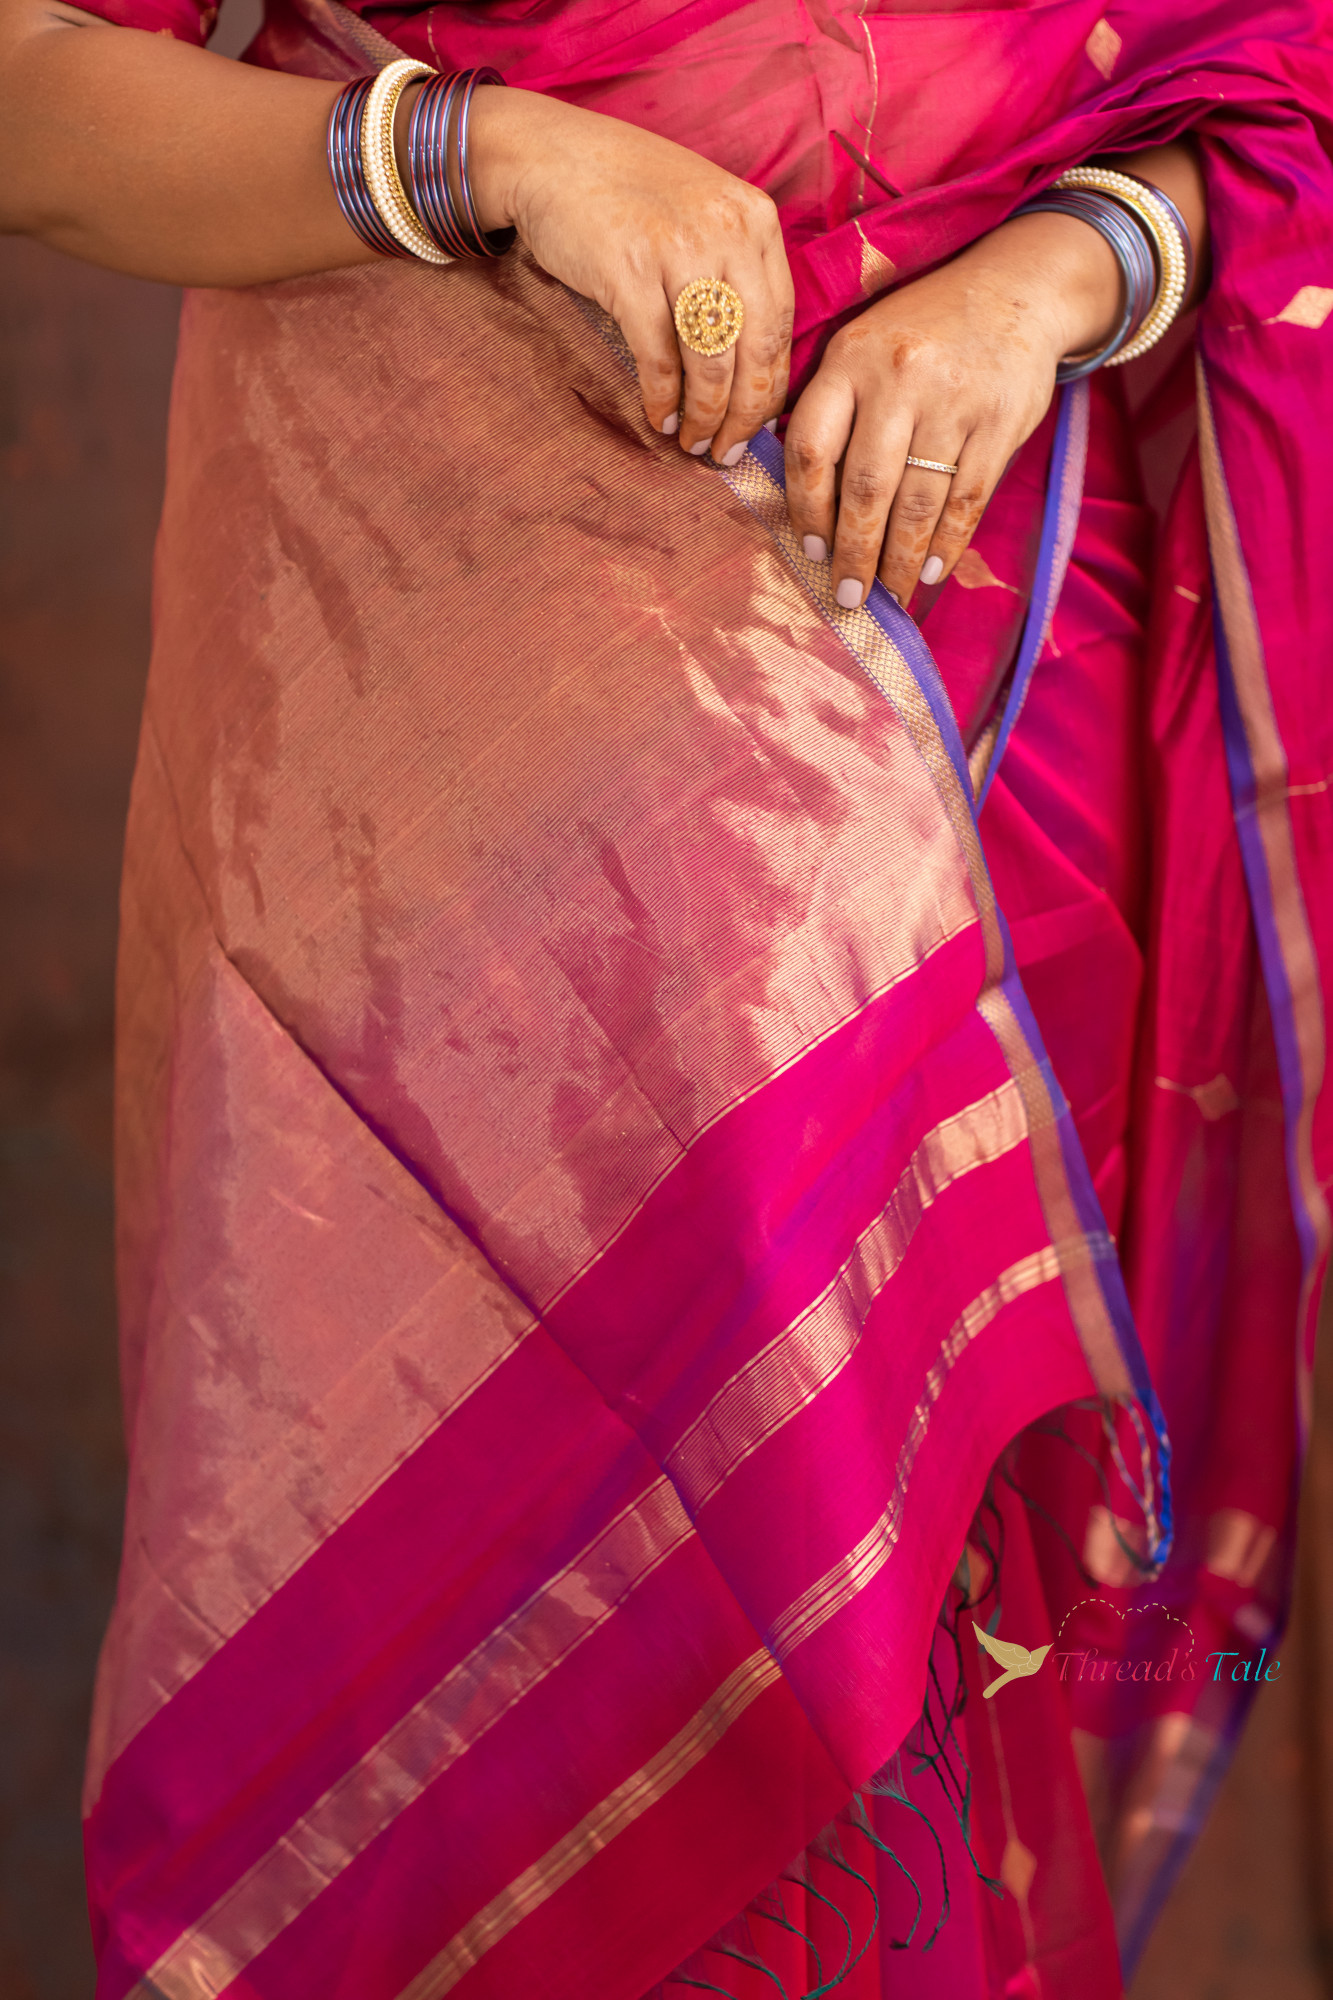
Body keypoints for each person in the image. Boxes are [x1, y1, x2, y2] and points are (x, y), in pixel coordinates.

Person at [1, 0, 1329, 1992]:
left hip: (999, 675)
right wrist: (476, 159)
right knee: (497, 1628)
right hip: (456, 705)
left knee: (916, 1638)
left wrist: (1065, 275)